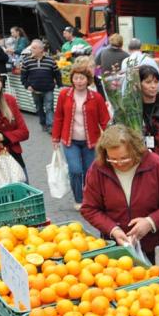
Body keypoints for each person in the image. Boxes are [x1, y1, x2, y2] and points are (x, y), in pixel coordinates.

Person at [81, 125, 159, 262]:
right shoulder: (98, 169)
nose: (118, 163)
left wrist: (150, 222)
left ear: (135, 150)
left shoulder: (154, 164)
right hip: (116, 250)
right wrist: (113, 230)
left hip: (153, 247)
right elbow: (89, 208)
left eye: (124, 158)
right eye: (112, 159)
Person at [52, 62, 110, 211]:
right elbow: (58, 116)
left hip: (91, 141)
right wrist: (55, 138)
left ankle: (90, 197)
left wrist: (110, 138)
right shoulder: (65, 95)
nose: (78, 81)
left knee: (90, 172)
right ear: (72, 79)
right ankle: (79, 199)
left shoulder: (96, 97)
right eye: (76, 78)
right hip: (70, 140)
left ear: (88, 80)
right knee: (76, 170)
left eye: (82, 78)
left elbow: (104, 120)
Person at [21, 39, 62, 133]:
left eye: (34, 48)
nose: (31, 50)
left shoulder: (50, 60)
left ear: (41, 49)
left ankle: (50, 126)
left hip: (48, 89)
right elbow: (23, 76)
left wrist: (60, 85)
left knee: (49, 107)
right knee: (39, 108)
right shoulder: (26, 61)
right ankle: (43, 123)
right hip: (35, 90)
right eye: (31, 48)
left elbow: (57, 73)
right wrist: (27, 86)